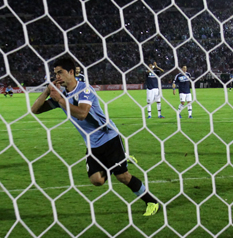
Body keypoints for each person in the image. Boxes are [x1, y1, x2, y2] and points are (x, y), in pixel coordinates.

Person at [30, 56, 161, 217]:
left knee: (122, 177)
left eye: (60, 72)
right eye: (55, 74)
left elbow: (82, 113)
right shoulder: (61, 94)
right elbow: (35, 110)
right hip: (92, 143)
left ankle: (151, 202)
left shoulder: (84, 89)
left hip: (109, 137)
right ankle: (120, 160)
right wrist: (47, 90)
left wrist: (61, 101)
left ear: (71, 72)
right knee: (97, 180)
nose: (57, 77)